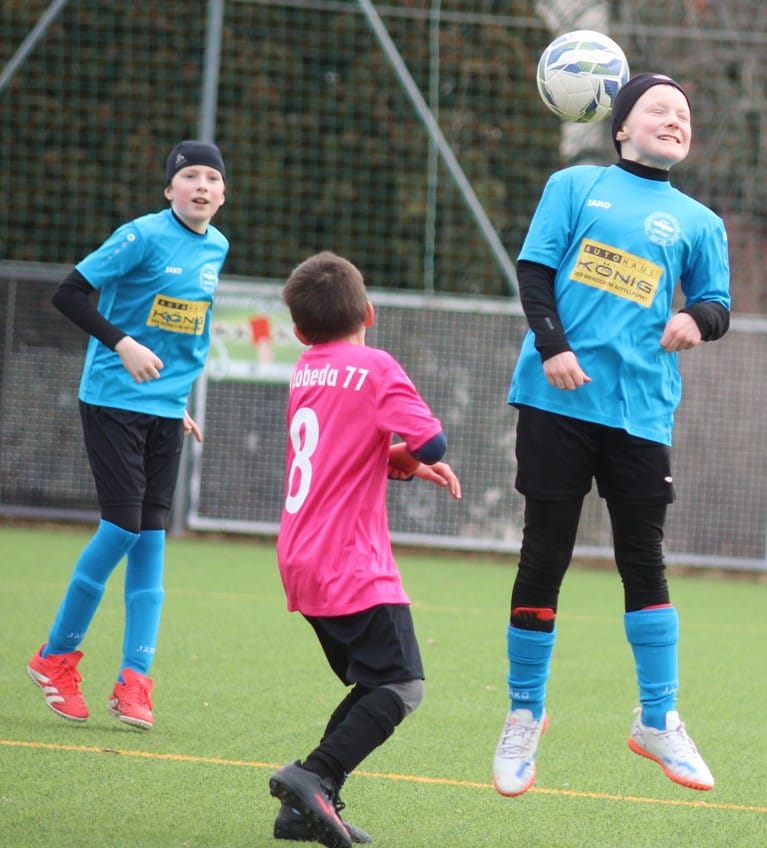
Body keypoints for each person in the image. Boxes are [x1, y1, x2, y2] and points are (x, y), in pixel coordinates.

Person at [492, 73, 730, 797]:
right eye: (658, 108)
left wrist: (695, 319)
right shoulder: (574, 185)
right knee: (544, 556)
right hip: (557, 399)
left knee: (644, 562)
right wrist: (554, 348)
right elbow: (534, 274)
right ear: (621, 126)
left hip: (641, 413)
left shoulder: (699, 221)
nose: (674, 119)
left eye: (684, 112)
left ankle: (658, 719)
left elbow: (717, 304)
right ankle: (524, 713)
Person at [27, 140, 229, 731]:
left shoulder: (217, 246)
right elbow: (67, 293)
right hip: (112, 399)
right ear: (169, 189)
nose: (201, 185)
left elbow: (188, 332)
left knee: (151, 541)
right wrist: (121, 343)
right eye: (189, 176)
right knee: (121, 527)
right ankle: (54, 657)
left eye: (212, 178)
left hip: (165, 410)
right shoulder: (140, 235)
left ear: (223, 194)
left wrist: (178, 401)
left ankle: (134, 680)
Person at [268, 251, 461, 848]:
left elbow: (342, 449)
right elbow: (433, 441)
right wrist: (416, 454)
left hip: (301, 556)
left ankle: (306, 805)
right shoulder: (374, 366)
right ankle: (312, 777)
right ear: (369, 313)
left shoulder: (306, 369)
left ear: (300, 331)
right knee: (402, 686)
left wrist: (397, 460)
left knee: (374, 684)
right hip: (350, 560)